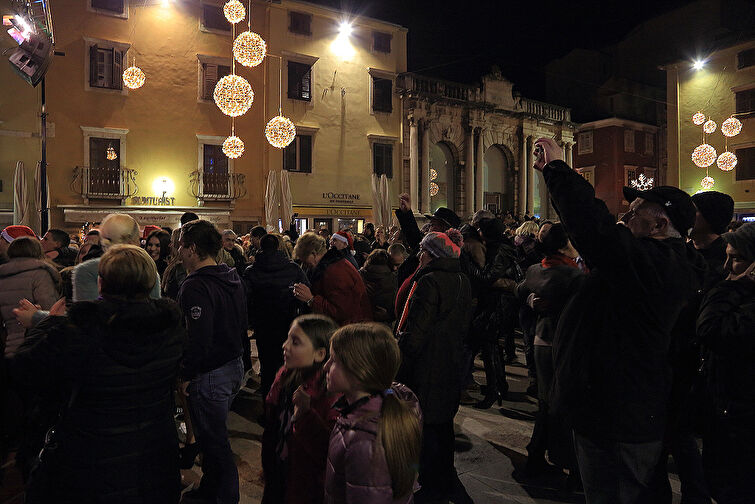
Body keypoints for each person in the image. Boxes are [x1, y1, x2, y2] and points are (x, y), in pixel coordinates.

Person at [534, 137, 703, 504]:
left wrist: (558, 170)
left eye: (634, 212)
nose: (624, 217)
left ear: (659, 225)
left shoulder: (660, 266)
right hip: (608, 410)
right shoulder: (650, 261)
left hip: (621, 417)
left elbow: (596, 232)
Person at [7, 245, 185, 502]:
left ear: (100, 283)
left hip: (89, 459)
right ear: (150, 282)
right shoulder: (170, 329)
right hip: (153, 455)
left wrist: (45, 325)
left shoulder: (77, 332)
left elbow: (24, 372)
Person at [395, 231, 473, 504]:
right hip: (450, 363)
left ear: (432, 254)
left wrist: (400, 364)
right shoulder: (462, 280)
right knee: (443, 425)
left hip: (426, 367)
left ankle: (429, 486)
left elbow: (415, 333)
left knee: (425, 428)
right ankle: (446, 478)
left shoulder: (429, 282)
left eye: (423, 251)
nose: (419, 255)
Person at [177, 219, 248, 504]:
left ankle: (224, 497)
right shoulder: (231, 277)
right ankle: (211, 489)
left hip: (210, 373)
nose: (179, 252)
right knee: (213, 439)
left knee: (215, 443)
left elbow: (199, 338)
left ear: (193, 249)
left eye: (181, 246)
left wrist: (186, 373)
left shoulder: (195, 286)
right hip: (233, 365)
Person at [324, 323, 422, 504]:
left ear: (359, 370)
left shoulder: (364, 442)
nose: (326, 367)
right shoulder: (383, 406)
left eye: (334, 359)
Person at [516, 223, 584, 481]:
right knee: (560, 404)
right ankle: (566, 463)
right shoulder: (572, 275)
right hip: (563, 343)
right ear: (566, 244)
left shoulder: (536, 269)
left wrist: (532, 299)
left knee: (547, 403)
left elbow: (518, 289)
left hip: (541, 340)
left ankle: (536, 454)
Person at [696, 222, 755, 504]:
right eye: (728, 257)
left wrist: (734, 287)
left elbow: (710, 330)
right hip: (727, 410)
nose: (728, 266)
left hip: (741, 416)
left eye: (737, 258)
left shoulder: (742, 297)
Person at [262, 315, 339, 504]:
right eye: (288, 338)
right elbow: (273, 427)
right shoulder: (285, 377)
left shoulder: (329, 395)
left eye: (295, 342)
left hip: (305, 487)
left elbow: (329, 453)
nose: (285, 346)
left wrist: (306, 414)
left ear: (320, 354)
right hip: (279, 473)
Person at [243, 233, 309, 399]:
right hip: (287, 322)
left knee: (266, 364)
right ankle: (284, 404)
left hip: (263, 324)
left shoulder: (252, 271)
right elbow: (305, 290)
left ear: (260, 247)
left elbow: (245, 297)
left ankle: (269, 404)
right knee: (287, 362)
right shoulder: (293, 268)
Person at [470, 217, 521, 409]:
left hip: (498, 305)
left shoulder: (500, 251)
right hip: (496, 303)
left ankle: (494, 391)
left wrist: (469, 266)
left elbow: (487, 277)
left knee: (489, 346)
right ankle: (500, 385)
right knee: (491, 347)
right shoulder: (500, 248)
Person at [71, 214, 161, 302]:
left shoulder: (86, 270)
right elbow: (154, 309)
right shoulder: (148, 270)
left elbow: (85, 312)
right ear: (133, 242)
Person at [292, 232, 372, 326]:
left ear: (313, 254)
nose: (304, 265)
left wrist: (311, 300)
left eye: (305, 260)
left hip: (351, 331)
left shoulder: (334, 271)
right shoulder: (331, 264)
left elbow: (341, 312)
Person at [0, 237, 61, 358]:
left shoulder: (3, 275)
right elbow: (48, 309)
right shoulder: (40, 274)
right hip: (36, 343)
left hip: (9, 343)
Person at [690, 191, 735, 279]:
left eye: (693, 211)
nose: (686, 215)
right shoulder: (680, 251)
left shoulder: (730, 256)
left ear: (710, 216)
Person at [359, 249, 398, 325]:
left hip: (361, 321)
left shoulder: (359, 276)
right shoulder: (393, 279)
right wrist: (388, 315)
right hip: (383, 324)